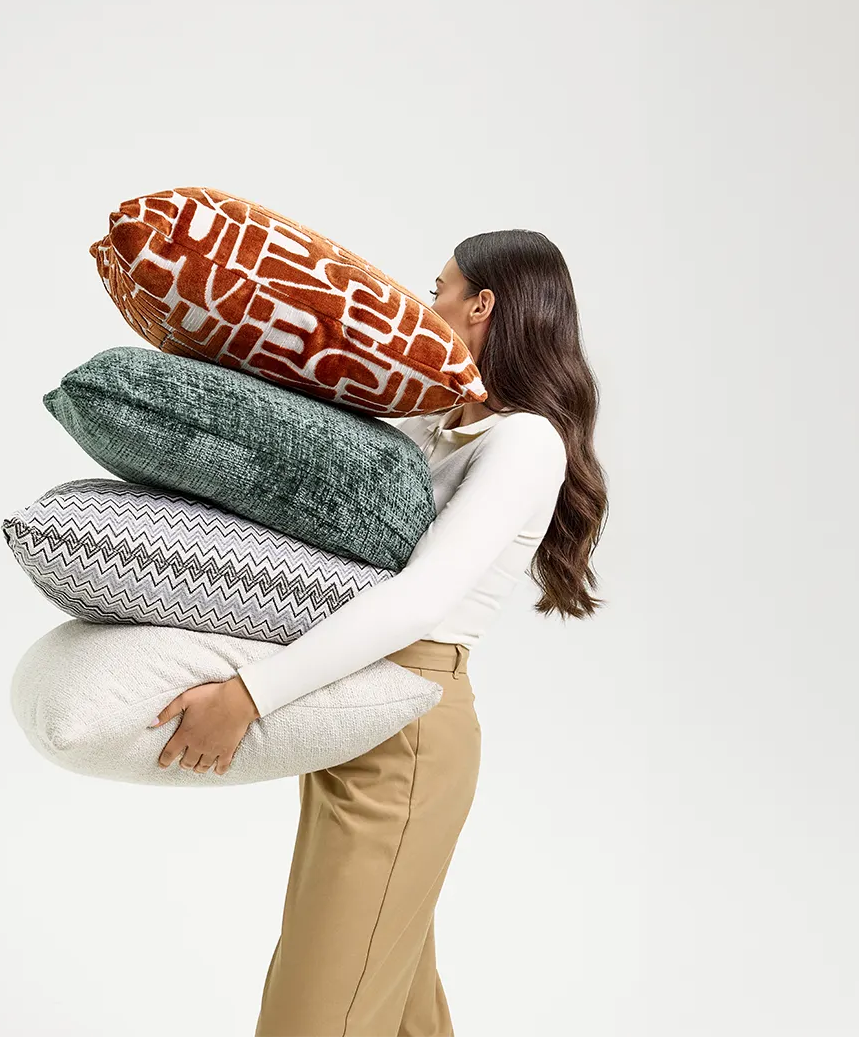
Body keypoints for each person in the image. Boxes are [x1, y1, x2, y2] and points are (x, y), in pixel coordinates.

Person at [147, 229, 610, 1036]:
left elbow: (419, 599)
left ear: (482, 306)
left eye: (440, 288)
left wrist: (249, 697)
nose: (426, 305)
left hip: (410, 731)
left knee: (315, 1013)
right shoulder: (433, 421)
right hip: (351, 703)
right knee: (392, 1008)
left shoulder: (525, 441)